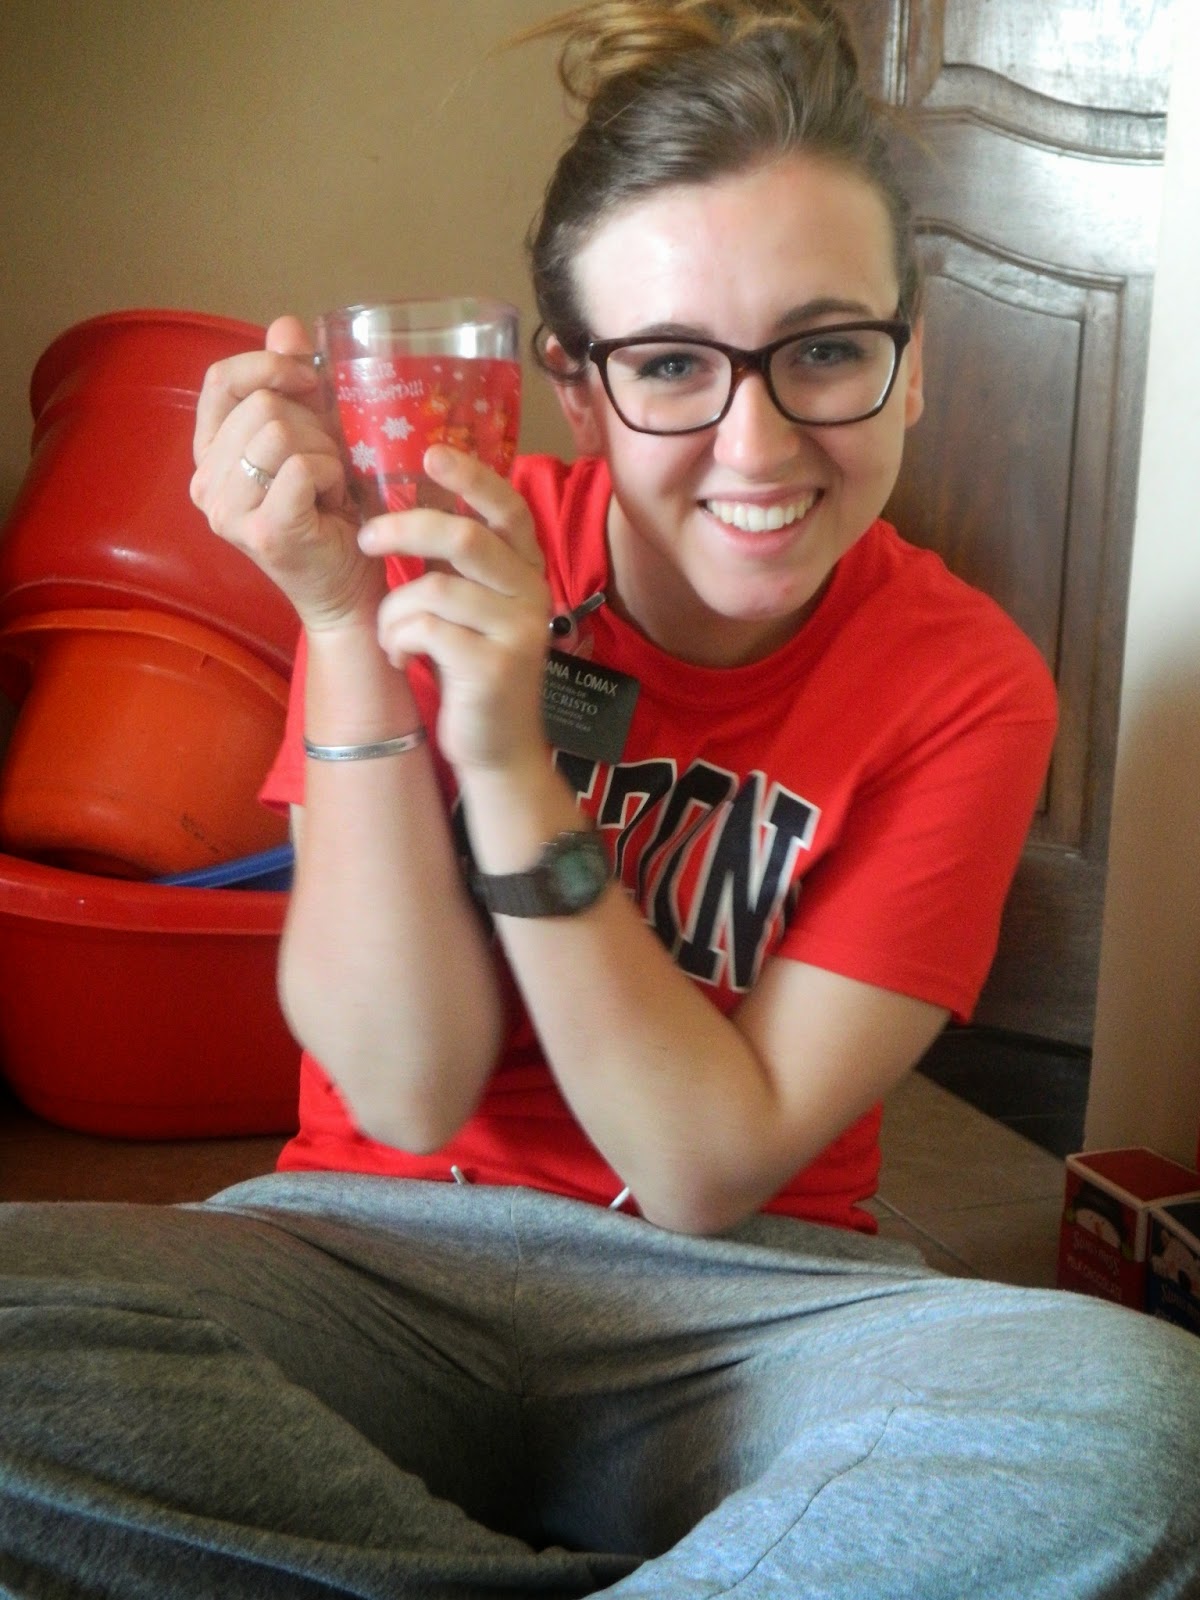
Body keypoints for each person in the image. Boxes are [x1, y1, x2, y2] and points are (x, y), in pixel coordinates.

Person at [1, 1, 1198, 1594]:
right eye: (673, 365)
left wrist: (509, 758)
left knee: (1141, 1419)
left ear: (912, 367)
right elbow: (403, 1089)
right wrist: (344, 624)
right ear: (577, 385)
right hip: (363, 1257)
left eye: (826, 350)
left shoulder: (966, 682)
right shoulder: (426, 550)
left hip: (750, 1306)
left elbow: (704, 1165)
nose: (756, 444)